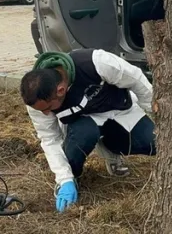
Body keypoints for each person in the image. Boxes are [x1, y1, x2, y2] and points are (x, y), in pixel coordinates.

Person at [19, 48, 157, 213]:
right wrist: (65, 179)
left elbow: (137, 80)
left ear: (60, 90)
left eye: (48, 108)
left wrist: (157, 114)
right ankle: (73, 179)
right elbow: (50, 139)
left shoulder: (98, 63)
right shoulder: (37, 100)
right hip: (84, 124)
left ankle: (110, 149)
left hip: (120, 111)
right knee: (85, 134)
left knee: (154, 143)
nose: (47, 114)